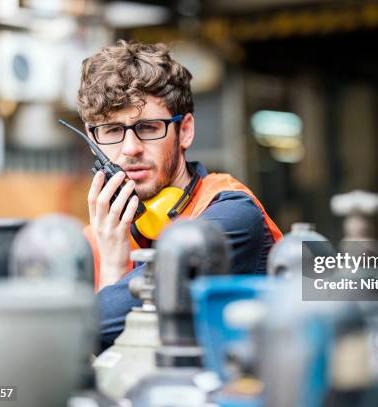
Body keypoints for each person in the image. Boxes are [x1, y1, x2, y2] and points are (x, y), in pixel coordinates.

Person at [76, 40, 283, 348]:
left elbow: (93, 330)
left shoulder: (232, 216)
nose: (130, 148)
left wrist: (112, 269)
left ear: (184, 131)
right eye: (111, 131)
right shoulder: (94, 239)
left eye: (147, 127)